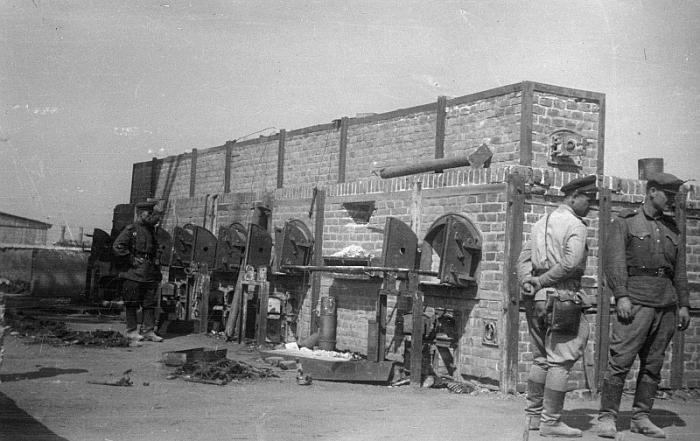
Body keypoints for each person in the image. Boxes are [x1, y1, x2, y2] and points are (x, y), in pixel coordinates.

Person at [596, 172, 690, 439]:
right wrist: (621, 295)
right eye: (667, 194)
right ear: (650, 191)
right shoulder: (626, 222)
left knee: (653, 365)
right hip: (636, 302)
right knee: (620, 361)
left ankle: (641, 417)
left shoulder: (672, 228)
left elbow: (679, 271)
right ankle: (607, 417)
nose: (671, 200)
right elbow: (613, 261)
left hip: (666, 304)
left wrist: (684, 303)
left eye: (673, 196)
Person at [517, 174, 598, 438]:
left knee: (541, 358)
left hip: (536, 299)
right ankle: (550, 421)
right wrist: (540, 281)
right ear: (573, 196)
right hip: (563, 297)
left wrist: (530, 284)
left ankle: (532, 418)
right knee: (560, 361)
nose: (592, 204)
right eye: (589, 198)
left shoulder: (540, 223)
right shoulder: (576, 224)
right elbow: (570, 264)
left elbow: (523, 260)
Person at [113, 201, 165, 342]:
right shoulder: (132, 229)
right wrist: (131, 259)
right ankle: (131, 331)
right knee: (132, 303)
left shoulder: (151, 231)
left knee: (149, 303)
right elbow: (118, 246)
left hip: (149, 272)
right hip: (133, 273)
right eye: (148, 214)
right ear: (140, 214)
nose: (150, 217)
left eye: (151, 213)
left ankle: (148, 331)